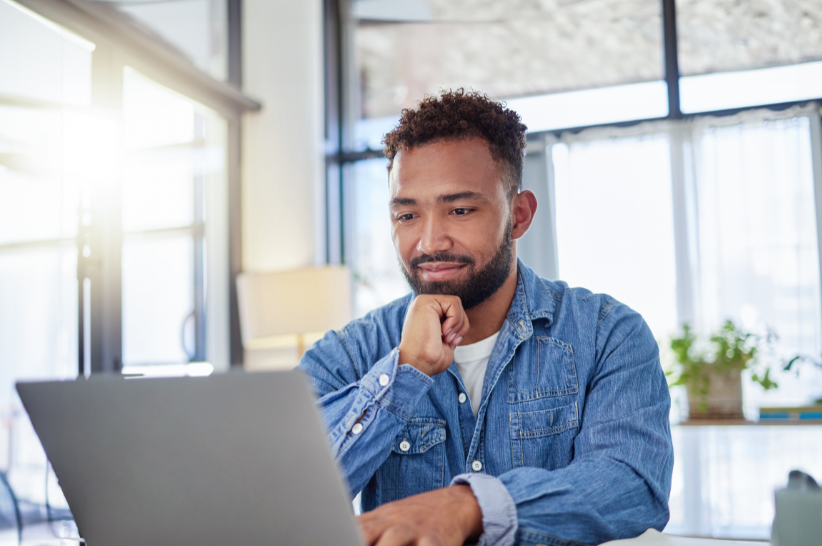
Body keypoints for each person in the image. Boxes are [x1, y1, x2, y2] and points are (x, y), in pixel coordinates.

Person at [297, 89, 673, 546]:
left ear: (518, 215)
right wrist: (403, 374)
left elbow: (632, 486)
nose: (430, 241)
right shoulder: (348, 355)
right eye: (408, 214)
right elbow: (287, 501)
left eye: (459, 210)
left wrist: (470, 506)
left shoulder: (608, 333)